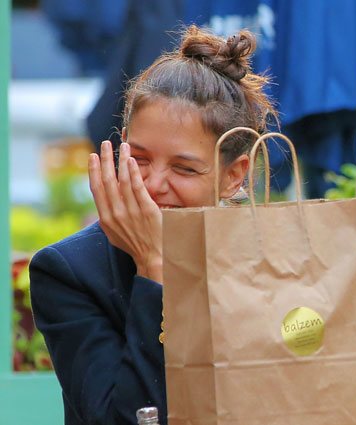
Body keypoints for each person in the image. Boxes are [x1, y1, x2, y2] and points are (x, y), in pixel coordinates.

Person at [29, 26, 274, 425]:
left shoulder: (271, 256)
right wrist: (154, 270)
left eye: (183, 167)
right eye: (139, 159)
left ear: (233, 175)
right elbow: (125, 418)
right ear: (121, 143)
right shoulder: (69, 271)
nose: (154, 184)